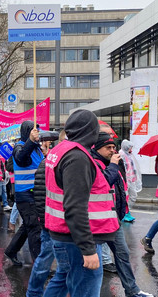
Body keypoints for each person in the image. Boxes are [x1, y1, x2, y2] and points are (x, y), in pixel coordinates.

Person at [43, 110, 119, 297]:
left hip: (63, 233)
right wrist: (88, 249)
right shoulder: (78, 157)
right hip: (76, 239)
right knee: (85, 288)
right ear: (90, 131)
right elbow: (75, 207)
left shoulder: (61, 149)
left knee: (63, 280)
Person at [90, 133, 152, 297]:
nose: (112, 150)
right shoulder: (94, 164)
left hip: (112, 220)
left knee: (122, 255)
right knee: (93, 265)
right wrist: (113, 165)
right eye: (108, 147)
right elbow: (103, 184)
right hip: (96, 222)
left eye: (113, 147)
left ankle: (132, 290)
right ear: (97, 148)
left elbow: (118, 188)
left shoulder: (111, 163)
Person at [4, 121, 43, 266]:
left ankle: (11, 251)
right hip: (25, 195)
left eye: (37, 131)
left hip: (34, 193)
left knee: (28, 226)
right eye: (34, 131)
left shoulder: (36, 148)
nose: (37, 133)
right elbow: (21, 159)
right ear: (28, 132)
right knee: (34, 228)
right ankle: (39, 264)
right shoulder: (19, 146)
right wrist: (31, 142)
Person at [26, 137, 55, 297]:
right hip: (50, 222)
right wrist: (44, 221)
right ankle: (33, 292)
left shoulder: (47, 159)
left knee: (64, 268)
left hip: (56, 222)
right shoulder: (47, 163)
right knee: (45, 258)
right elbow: (41, 194)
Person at [119, 139, 142, 222]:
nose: (131, 150)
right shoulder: (121, 155)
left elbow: (133, 168)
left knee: (133, 196)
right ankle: (124, 213)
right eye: (130, 148)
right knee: (125, 197)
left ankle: (126, 212)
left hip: (131, 180)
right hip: (125, 181)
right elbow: (123, 169)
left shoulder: (129, 155)